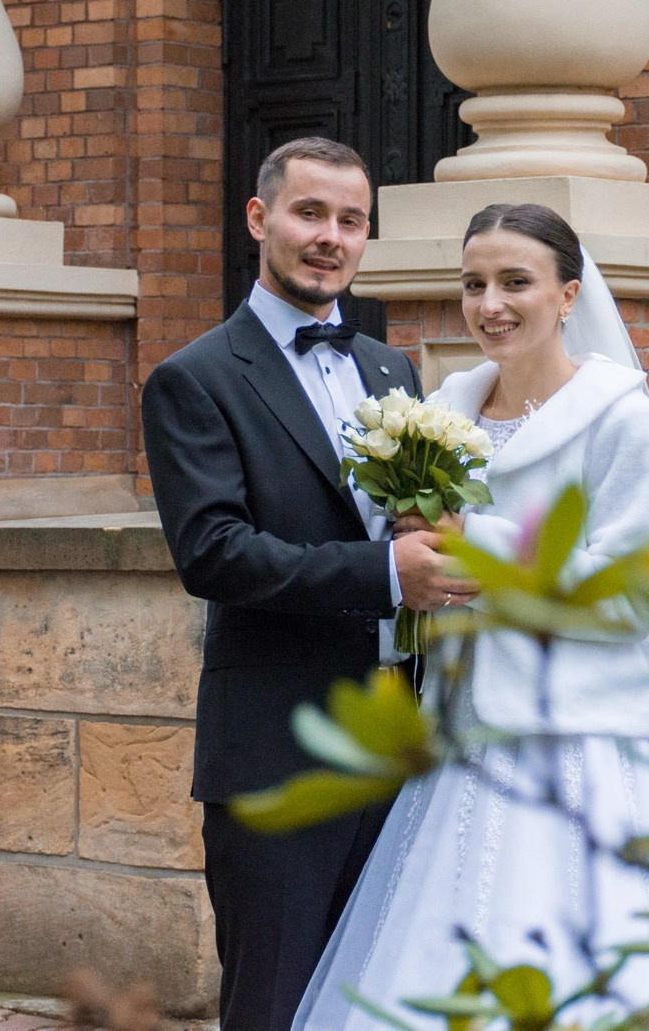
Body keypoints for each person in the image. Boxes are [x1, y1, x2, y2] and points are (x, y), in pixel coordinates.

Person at [292, 203, 649, 1031]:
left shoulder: (619, 418)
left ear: (568, 295)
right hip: (467, 730)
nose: (491, 304)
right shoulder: (443, 413)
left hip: (589, 741)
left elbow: (635, 600)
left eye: (515, 282)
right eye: (474, 284)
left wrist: (482, 546)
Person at [142, 137, 474, 1031]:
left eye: (351, 220)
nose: (331, 237)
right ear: (260, 219)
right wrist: (386, 573)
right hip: (277, 754)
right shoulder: (195, 378)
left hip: (400, 743)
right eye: (310, 213)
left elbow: (400, 520)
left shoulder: (391, 370)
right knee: (273, 1005)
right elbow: (213, 554)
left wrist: (433, 540)